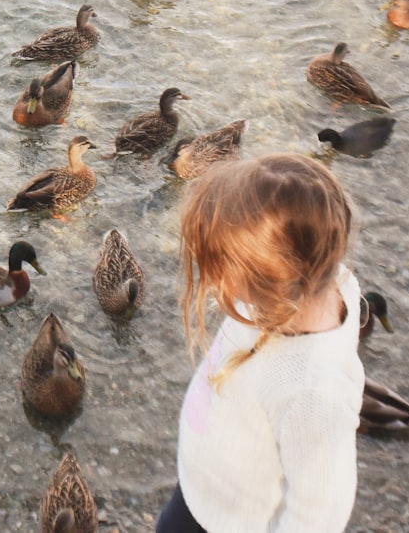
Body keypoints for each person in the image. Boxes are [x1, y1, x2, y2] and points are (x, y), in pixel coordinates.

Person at [156, 153, 365, 533]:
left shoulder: (311, 392)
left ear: (273, 278)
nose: (213, 281)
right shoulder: (296, 287)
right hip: (204, 495)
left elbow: (319, 514)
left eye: (221, 267)